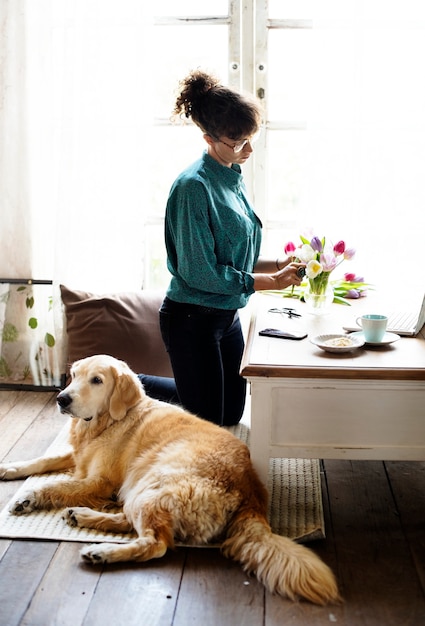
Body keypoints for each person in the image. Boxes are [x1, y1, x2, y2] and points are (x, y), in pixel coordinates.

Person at [139, 69, 305, 426]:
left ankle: (189, 387)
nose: (247, 150)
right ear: (208, 137)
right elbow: (201, 273)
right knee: (209, 423)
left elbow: (233, 257)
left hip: (226, 316)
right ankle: (132, 385)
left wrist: (279, 264)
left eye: (251, 140)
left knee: (230, 414)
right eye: (238, 142)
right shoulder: (192, 188)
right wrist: (269, 282)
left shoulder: (230, 173)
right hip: (191, 318)